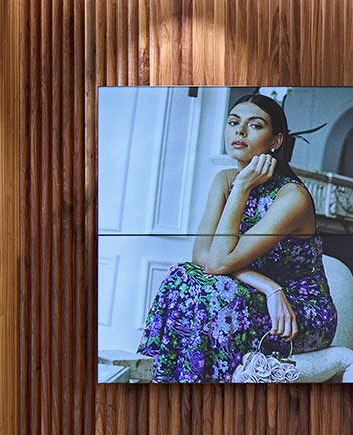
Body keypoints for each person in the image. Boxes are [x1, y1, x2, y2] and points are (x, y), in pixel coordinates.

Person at [138, 93, 338, 383]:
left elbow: (218, 263)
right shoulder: (224, 180)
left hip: (297, 313)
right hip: (263, 295)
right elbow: (203, 257)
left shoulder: (291, 197)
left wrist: (242, 187)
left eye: (255, 125)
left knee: (221, 294)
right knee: (180, 275)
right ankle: (159, 382)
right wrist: (268, 286)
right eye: (233, 122)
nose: (240, 131)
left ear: (275, 141)